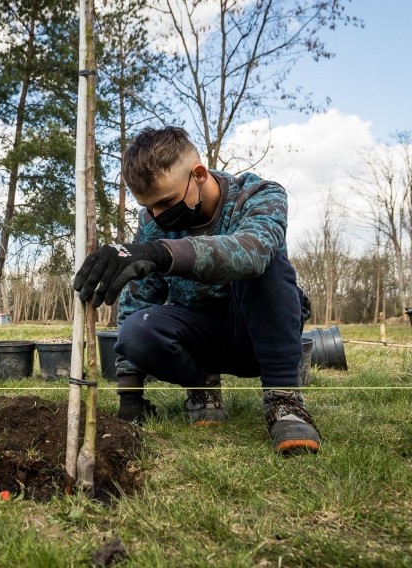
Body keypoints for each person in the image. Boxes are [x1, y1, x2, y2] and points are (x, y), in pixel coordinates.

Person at [73, 126, 320, 454]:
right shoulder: (153, 222)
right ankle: (202, 386)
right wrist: (130, 396)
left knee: (268, 263)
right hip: (200, 336)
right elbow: (140, 296)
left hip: (258, 334)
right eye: (149, 208)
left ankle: (284, 401)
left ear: (199, 174)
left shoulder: (259, 195)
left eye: (166, 202)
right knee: (136, 330)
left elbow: (254, 250)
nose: (157, 217)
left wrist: (163, 254)